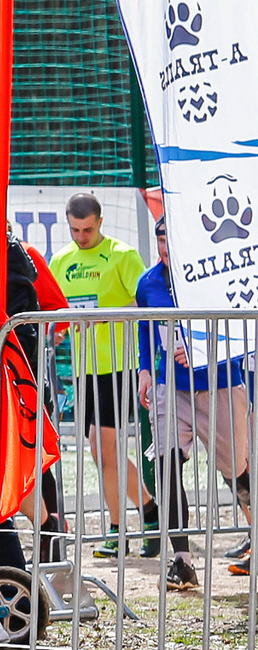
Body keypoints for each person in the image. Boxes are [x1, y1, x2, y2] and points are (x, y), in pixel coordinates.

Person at [136, 217, 242, 591]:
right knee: (165, 467)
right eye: (160, 240)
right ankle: (181, 561)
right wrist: (146, 369)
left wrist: (198, 349)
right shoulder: (149, 282)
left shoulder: (216, 275)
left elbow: (240, 328)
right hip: (170, 387)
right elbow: (145, 328)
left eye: (171, 239)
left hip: (222, 384)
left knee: (239, 471)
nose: (166, 248)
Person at [49, 193, 153, 556]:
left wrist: (105, 316)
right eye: (75, 229)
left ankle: (117, 530)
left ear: (101, 222)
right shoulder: (61, 260)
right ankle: (148, 510)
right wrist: (60, 330)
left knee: (106, 447)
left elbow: (145, 302)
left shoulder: (123, 255)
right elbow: (56, 312)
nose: (81, 236)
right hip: (84, 368)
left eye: (88, 229)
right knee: (98, 449)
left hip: (119, 365)